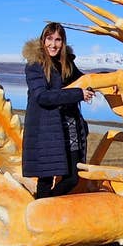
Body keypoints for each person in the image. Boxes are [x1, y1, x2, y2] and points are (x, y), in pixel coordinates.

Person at [21, 22, 94, 198]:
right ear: (43, 40)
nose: (53, 44)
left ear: (63, 42)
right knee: (46, 180)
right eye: (49, 39)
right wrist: (77, 94)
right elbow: (42, 96)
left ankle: (46, 207)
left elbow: (85, 79)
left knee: (73, 177)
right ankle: (41, 212)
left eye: (58, 40)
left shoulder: (66, 63)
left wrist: (109, 79)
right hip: (46, 129)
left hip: (69, 129)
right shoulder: (35, 65)